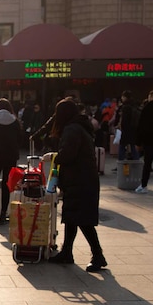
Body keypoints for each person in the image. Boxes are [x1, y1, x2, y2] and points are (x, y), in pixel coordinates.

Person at [47, 99, 107, 272]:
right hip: (82, 179)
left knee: (83, 220)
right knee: (72, 218)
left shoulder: (72, 129)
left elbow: (68, 155)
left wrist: (55, 157)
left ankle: (98, 255)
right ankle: (67, 252)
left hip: (79, 180)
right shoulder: (79, 126)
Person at [113, 91, 139, 165]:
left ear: (125, 97)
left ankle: (120, 163)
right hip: (133, 130)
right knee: (133, 147)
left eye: (123, 97)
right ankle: (137, 163)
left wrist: (120, 127)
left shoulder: (125, 107)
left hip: (126, 130)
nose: (122, 98)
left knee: (122, 147)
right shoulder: (134, 106)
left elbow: (124, 120)